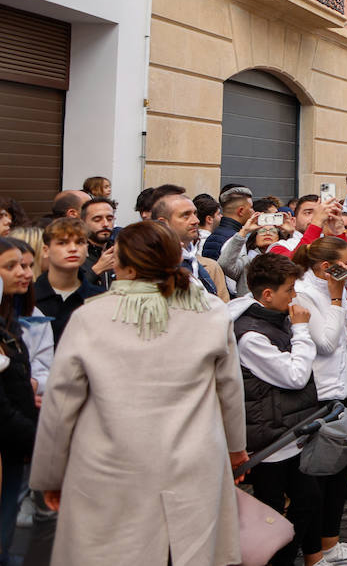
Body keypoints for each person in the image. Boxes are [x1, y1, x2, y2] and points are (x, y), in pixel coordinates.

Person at [28, 222, 248, 564]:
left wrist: (50, 474)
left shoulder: (90, 317)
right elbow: (230, 389)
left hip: (109, 463)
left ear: (125, 265)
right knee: (188, 551)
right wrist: (236, 447)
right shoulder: (211, 313)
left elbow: (61, 402)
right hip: (192, 457)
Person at [287, 220, 347, 566]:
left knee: (338, 474)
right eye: (346, 263)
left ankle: (331, 543)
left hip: (343, 386)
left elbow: (338, 340)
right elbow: (323, 344)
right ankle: (315, 553)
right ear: (327, 267)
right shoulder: (305, 293)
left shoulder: (332, 295)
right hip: (319, 396)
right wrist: (339, 301)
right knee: (317, 479)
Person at [228, 253, 325, 566]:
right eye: (289, 290)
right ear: (267, 295)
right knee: (271, 513)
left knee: (307, 500)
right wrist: (301, 330)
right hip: (268, 441)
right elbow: (295, 376)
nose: (294, 297)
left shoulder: (269, 318)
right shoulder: (251, 336)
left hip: (284, 432)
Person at [0, 237, 36, 563]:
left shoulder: (10, 321)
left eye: (26, 265)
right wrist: (40, 438)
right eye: (11, 266)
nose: (23, 273)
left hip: (13, 448)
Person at [32, 219, 103, 345]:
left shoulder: (101, 298)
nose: (73, 249)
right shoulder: (26, 296)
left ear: (87, 248)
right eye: (62, 243)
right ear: (46, 250)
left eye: (80, 242)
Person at [203, 185, 253, 260]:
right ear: (241, 211)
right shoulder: (235, 239)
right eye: (251, 207)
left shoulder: (213, 235)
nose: (253, 211)